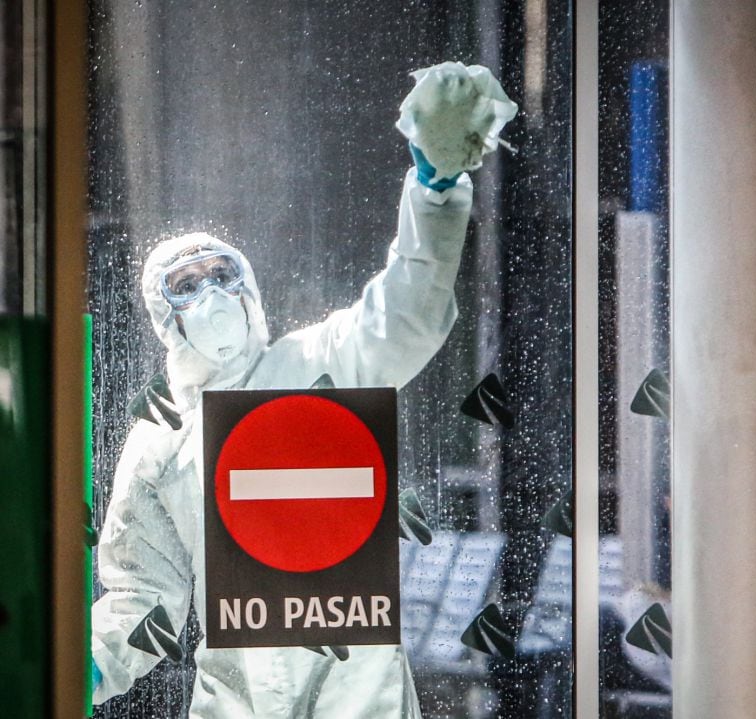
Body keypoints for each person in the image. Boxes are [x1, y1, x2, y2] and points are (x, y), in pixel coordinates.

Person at [91, 63, 516, 718]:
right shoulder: (162, 438)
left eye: (221, 274)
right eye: (187, 284)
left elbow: (405, 313)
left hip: (359, 690)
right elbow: (140, 596)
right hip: (236, 699)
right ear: (163, 315)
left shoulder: (321, 363)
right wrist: (72, 671)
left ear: (250, 287)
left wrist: (434, 192)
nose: (211, 295)